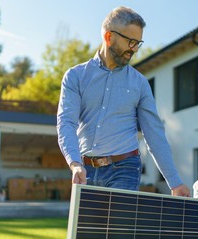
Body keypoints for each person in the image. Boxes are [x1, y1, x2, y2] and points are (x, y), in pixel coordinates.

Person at [56, 6, 190, 197]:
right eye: (131, 42)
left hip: (125, 168)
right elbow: (66, 123)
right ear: (109, 37)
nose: (134, 49)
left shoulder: (140, 84)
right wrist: (75, 164)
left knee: (118, 227)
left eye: (138, 43)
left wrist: (175, 182)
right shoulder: (75, 77)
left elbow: (154, 133)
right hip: (86, 170)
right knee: (87, 228)